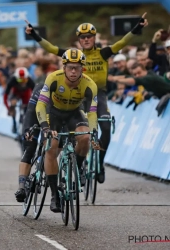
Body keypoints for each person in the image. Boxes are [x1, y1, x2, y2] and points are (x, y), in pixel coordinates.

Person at [25, 13, 148, 183]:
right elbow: (51, 49)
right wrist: (34, 35)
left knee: (105, 127)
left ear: (94, 37)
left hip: (100, 94)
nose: (86, 39)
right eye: (83, 37)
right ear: (79, 40)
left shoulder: (103, 53)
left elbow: (122, 43)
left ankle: (100, 163)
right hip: (78, 96)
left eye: (89, 36)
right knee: (75, 130)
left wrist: (138, 27)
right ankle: (75, 162)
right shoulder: (73, 55)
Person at [35, 48, 98, 212]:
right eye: (70, 67)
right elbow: (41, 104)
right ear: (64, 67)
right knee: (51, 147)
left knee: (84, 137)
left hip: (74, 113)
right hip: (54, 113)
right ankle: (55, 195)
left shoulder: (89, 84)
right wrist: (45, 127)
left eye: (77, 68)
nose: (73, 71)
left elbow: (92, 111)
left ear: (82, 69)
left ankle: (76, 167)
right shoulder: (53, 78)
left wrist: (92, 130)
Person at [14, 83, 43, 202]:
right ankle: (21, 186)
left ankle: (43, 166)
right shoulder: (40, 91)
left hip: (54, 117)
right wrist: (27, 131)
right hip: (35, 114)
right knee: (30, 147)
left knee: (51, 145)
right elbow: (30, 113)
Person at [4, 67, 35, 133]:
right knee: (13, 103)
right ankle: (14, 122)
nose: (22, 83)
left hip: (25, 94)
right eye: (20, 81)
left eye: (24, 80)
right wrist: (9, 108)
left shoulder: (30, 80)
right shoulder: (12, 79)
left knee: (26, 107)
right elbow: (5, 96)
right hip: (16, 93)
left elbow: (35, 94)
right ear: (16, 79)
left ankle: (24, 121)